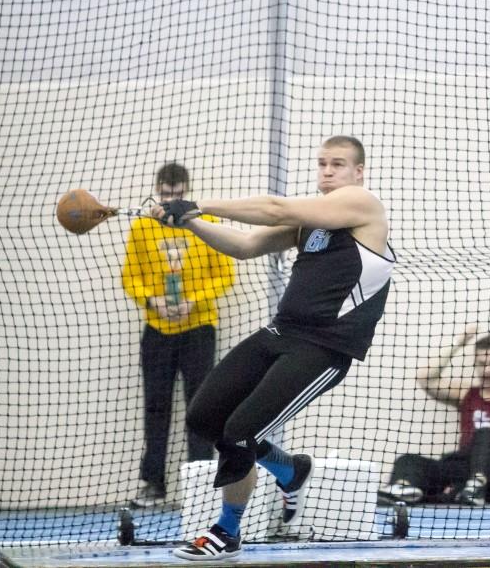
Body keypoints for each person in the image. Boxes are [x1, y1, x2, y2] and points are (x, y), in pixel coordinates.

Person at [151, 135, 395, 561]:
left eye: (338, 164)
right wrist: (188, 222)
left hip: (323, 349)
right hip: (280, 334)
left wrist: (196, 205)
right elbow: (245, 247)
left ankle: (226, 532)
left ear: (359, 172)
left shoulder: (363, 204)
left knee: (240, 430)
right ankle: (290, 470)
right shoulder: (309, 223)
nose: (327, 171)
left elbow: (276, 206)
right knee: (204, 416)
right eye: (321, 164)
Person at [121, 162, 236, 508]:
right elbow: (129, 276)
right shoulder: (142, 228)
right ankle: (153, 483)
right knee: (156, 406)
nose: (170, 200)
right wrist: (151, 300)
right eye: (165, 194)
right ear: (157, 191)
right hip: (157, 330)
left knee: (199, 406)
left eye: (177, 195)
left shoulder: (206, 224)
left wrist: (194, 301)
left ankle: (199, 484)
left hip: (199, 328)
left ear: (186, 192)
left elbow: (225, 274)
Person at [380, 326, 490, 506]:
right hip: (467, 466)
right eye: (482, 364)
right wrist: (458, 344)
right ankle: (402, 489)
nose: (487, 371)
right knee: (409, 460)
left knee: (485, 434)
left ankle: (478, 486)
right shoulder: (466, 395)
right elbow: (425, 379)